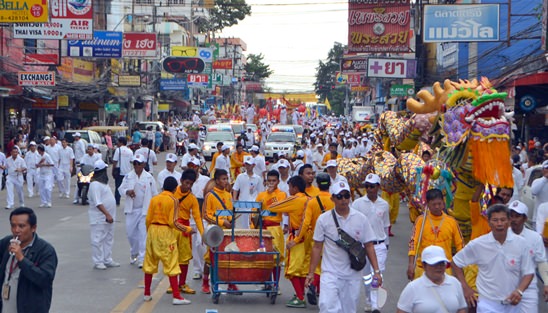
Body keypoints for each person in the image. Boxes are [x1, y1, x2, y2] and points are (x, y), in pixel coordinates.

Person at [305, 181, 383, 313]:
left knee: (348, 309)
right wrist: (311, 273)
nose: (344, 200)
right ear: (332, 198)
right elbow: (317, 247)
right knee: (326, 306)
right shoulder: (323, 219)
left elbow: (369, 245)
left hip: (352, 275)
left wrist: (376, 271)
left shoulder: (361, 218)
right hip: (330, 273)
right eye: (339, 197)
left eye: (346, 196)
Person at [451, 204, 535, 313]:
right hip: (488, 304)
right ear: (489, 222)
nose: (499, 224)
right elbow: (455, 262)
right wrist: (465, 288)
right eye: (495, 220)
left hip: (513, 304)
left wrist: (519, 291)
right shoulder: (478, 244)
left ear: (509, 222)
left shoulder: (521, 243)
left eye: (503, 220)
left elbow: (529, 272)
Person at [142, 177, 191, 305]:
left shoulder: (154, 199)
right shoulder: (173, 200)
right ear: (175, 188)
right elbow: (173, 222)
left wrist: (150, 233)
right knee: (171, 263)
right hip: (165, 232)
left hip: (152, 230)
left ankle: (147, 293)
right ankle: (176, 296)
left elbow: (148, 219)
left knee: (150, 262)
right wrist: (187, 229)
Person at [0, 207, 58, 313]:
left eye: (21, 226)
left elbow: (44, 280)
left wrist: (21, 259)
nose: (16, 230)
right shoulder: (6, 243)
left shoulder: (45, 250)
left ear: (33, 228)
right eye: (13, 226)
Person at [267, 176, 311, 308]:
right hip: (309, 237)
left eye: (290, 187)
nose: (289, 189)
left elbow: (273, 207)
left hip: (297, 235)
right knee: (303, 268)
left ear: (295, 188)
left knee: (291, 269)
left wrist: (270, 194)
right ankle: (301, 293)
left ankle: (300, 297)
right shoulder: (309, 199)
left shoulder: (295, 199)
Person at [292, 173, 334, 298]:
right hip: (332, 239)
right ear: (329, 184)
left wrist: (297, 239)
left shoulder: (313, 202)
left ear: (318, 184)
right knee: (328, 267)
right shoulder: (335, 200)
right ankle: (321, 290)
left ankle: (313, 285)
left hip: (316, 239)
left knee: (315, 266)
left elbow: (305, 223)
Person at [352, 173, 390, 313]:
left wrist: (386, 243)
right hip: (362, 246)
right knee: (366, 276)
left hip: (379, 245)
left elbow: (385, 226)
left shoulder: (384, 205)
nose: (369, 189)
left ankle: (376, 305)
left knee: (377, 274)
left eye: (372, 186)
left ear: (378, 187)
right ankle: (369, 299)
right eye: (367, 186)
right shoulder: (357, 204)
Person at [408, 189, 464, 280]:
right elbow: (413, 243)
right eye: (434, 204)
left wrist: (460, 269)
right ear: (427, 204)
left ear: (443, 202)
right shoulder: (421, 221)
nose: (437, 207)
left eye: (439, 203)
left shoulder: (451, 222)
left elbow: (460, 245)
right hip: (423, 269)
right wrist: (411, 264)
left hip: (445, 270)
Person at [397, 245, 467, 313]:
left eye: (442, 263)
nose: (439, 267)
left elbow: (461, 309)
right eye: (434, 264)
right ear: (424, 265)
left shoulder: (455, 283)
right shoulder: (412, 288)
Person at [201, 169, 237, 294]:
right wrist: (221, 222)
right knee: (210, 258)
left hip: (227, 231)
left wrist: (231, 220)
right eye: (223, 179)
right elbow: (206, 215)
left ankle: (231, 284)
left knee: (229, 256)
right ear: (216, 181)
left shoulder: (228, 195)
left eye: (226, 179)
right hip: (215, 232)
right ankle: (205, 282)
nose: (225, 181)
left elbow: (231, 211)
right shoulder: (210, 196)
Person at [118, 154, 158, 268]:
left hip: (144, 211)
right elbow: (120, 189)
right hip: (131, 210)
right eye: (134, 163)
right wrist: (127, 191)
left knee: (143, 235)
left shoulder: (149, 178)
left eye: (139, 164)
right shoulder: (128, 176)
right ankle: (134, 252)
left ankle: (142, 258)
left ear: (143, 164)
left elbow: (155, 194)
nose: (136, 166)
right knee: (131, 234)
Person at [508, 200, 548, 312]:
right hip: (506, 286)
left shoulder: (535, 238)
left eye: (517, 216)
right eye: (511, 216)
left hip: (529, 289)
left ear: (525, 219)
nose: (513, 219)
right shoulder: (502, 235)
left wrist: (546, 283)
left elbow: (541, 261)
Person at [169, 169, 204, 294]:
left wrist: (202, 233)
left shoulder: (192, 199)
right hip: (172, 228)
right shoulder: (172, 193)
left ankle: (182, 283)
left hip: (185, 229)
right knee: (171, 256)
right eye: (186, 183)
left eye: (191, 184)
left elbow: (197, 217)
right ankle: (172, 284)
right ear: (181, 181)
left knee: (184, 259)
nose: (188, 186)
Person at [255, 170, 288, 287]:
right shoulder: (261, 195)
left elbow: (284, 211)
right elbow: (255, 212)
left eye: (274, 181)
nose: (271, 183)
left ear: (278, 181)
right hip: (263, 229)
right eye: (269, 181)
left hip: (275, 228)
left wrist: (286, 225)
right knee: (264, 256)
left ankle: (276, 284)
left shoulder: (282, 194)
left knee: (276, 258)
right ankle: (267, 282)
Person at [87, 160, 120, 270]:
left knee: (108, 239)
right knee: (97, 240)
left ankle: (107, 259)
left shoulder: (103, 183)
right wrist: (107, 214)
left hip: (108, 218)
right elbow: (98, 203)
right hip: (99, 218)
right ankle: (98, 261)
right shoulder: (95, 184)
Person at [186, 157, 209, 280]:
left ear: (198, 167)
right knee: (194, 245)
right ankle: (197, 269)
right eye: (190, 166)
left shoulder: (206, 180)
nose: (192, 168)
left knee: (201, 243)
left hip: (202, 216)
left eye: (194, 166)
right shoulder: (186, 181)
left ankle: (206, 267)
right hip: (190, 217)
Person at [232, 156, 264, 229]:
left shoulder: (258, 178)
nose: (248, 166)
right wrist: (234, 201)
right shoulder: (240, 176)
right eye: (246, 164)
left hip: (254, 205)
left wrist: (260, 204)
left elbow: (260, 192)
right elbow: (235, 189)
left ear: (253, 165)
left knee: (253, 226)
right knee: (244, 226)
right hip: (243, 204)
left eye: (249, 164)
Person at [111, 137, 134, 206]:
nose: (117, 143)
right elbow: (131, 161)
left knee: (118, 186)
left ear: (121, 142)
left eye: (118, 142)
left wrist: (113, 170)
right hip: (127, 172)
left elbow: (115, 161)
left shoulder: (118, 150)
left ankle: (117, 201)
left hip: (119, 171)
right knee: (128, 187)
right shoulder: (130, 151)